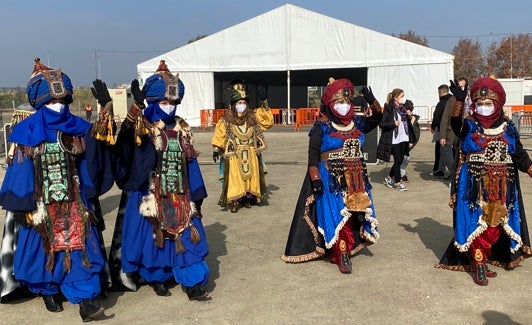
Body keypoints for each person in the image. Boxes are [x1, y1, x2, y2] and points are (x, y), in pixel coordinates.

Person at [0, 58, 115, 321]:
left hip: (74, 203)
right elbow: (20, 171)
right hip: (40, 205)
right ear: (40, 103)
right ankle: (47, 289)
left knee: (81, 249)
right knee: (41, 249)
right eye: (53, 102)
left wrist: (105, 112)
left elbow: (94, 156)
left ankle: (85, 299)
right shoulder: (25, 131)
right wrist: (22, 203)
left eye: (63, 101)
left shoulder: (77, 127)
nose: (59, 107)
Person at [107, 60, 210, 300]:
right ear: (153, 101)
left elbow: (191, 162)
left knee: (188, 238)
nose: (170, 107)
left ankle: (192, 281)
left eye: (173, 102)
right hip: (150, 193)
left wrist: (197, 193)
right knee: (155, 240)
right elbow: (124, 148)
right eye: (164, 102)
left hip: (181, 194)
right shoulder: (143, 126)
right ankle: (157, 278)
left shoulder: (182, 128)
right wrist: (133, 110)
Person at [436, 77, 532, 286]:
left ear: (497, 104)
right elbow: (455, 125)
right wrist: (459, 103)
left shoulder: (508, 127)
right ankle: (479, 262)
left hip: (502, 185)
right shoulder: (469, 124)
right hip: (473, 184)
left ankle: (483, 257)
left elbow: (518, 153)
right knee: (475, 222)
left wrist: (530, 167)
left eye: (488, 104)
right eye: (479, 103)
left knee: (495, 223)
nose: (484, 107)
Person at [281, 78, 382, 274]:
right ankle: (341, 253)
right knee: (337, 215)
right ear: (330, 103)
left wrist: (373, 101)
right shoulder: (322, 126)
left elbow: (378, 119)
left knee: (354, 213)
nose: (343, 106)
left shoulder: (358, 122)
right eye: (339, 102)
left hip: (357, 177)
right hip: (331, 178)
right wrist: (315, 178)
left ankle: (348, 246)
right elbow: (313, 156)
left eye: (346, 102)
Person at [211, 80, 273, 213]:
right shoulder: (226, 119)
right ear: (233, 105)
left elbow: (268, 122)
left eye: (244, 103)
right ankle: (234, 201)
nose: (242, 105)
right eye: (239, 103)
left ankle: (247, 198)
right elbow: (220, 134)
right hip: (235, 154)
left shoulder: (252, 117)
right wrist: (216, 149)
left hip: (251, 152)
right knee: (235, 178)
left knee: (250, 178)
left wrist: (265, 101)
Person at [377, 88, 417, 191]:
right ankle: (398, 183)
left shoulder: (402, 109)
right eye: (401, 96)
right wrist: (393, 124)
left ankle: (389, 177)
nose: (403, 99)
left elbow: (407, 125)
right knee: (397, 160)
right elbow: (382, 124)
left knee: (399, 160)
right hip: (394, 138)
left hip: (404, 137)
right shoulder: (389, 108)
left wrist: (409, 117)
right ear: (395, 97)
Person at [430, 85, 452, 177]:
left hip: (442, 128)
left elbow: (437, 116)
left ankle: (439, 169)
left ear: (441, 92)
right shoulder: (453, 100)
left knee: (440, 149)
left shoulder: (442, 103)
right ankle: (444, 169)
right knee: (451, 151)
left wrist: (433, 126)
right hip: (453, 129)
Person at [399, 100, 420, 182]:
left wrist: (413, 142)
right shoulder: (402, 117)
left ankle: (401, 173)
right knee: (403, 158)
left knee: (405, 158)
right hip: (401, 141)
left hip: (409, 142)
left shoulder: (413, 120)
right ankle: (402, 174)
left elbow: (416, 133)